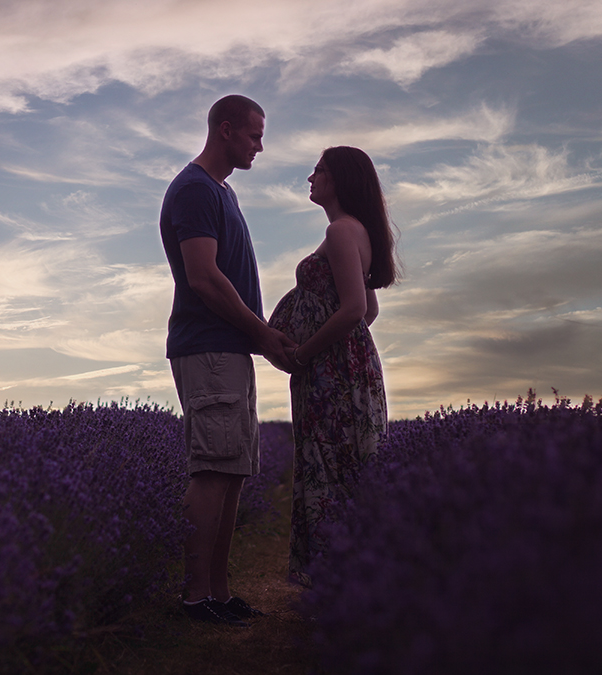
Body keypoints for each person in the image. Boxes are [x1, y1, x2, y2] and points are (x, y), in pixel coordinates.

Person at [159, 94, 296, 626]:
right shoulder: (194, 189)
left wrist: (259, 338)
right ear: (225, 129)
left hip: (230, 348)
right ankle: (195, 599)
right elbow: (204, 277)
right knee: (212, 469)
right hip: (208, 347)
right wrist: (262, 333)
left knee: (233, 471)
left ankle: (218, 592)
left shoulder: (221, 192)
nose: (260, 145)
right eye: (254, 135)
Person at [268, 146, 399, 588]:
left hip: (331, 375)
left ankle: (339, 580)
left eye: (319, 170)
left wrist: (306, 354)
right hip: (343, 369)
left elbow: (355, 309)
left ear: (339, 179)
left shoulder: (343, 231)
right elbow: (370, 310)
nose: (310, 177)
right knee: (346, 466)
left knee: (332, 466)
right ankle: (352, 578)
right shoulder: (349, 231)